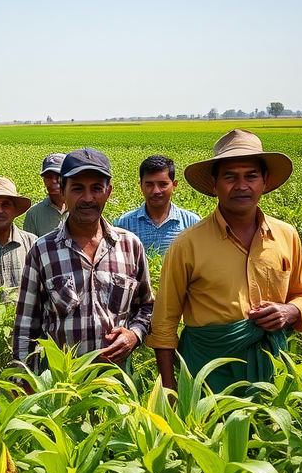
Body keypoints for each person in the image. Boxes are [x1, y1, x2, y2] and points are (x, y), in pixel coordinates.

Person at [146, 129, 302, 392]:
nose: (241, 186)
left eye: (251, 176)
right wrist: (169, 391)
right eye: (230, 177)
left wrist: (289, 311)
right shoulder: (187, 244)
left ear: (265, 181)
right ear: (214, 185)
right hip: (206, 372)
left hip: (272, 369)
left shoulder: (287, 236)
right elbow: (164, 323)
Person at [13, 148, 154, 368]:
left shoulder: (130, 246)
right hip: (61, 384)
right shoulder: (42, 251)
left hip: (115, 383)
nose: (88, 198)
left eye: (96, 188)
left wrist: (134, 335)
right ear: (63, 190)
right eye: (78, 189)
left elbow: (148, 306)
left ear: (108, 191)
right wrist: (23, 381)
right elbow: (25, 327)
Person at [114, 155, 200, 254]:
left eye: (163, 184)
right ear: (141, 185)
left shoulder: (192, 223)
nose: (156, 191)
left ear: (174, 185)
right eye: (149, 184)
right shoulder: (124, 224)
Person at [23, 153, 68, 237]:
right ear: (44, 180)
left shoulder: (80, 209)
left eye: (59, 176)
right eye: (49, 177)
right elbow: (30, 247)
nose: (54, 181)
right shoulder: (34, 214)